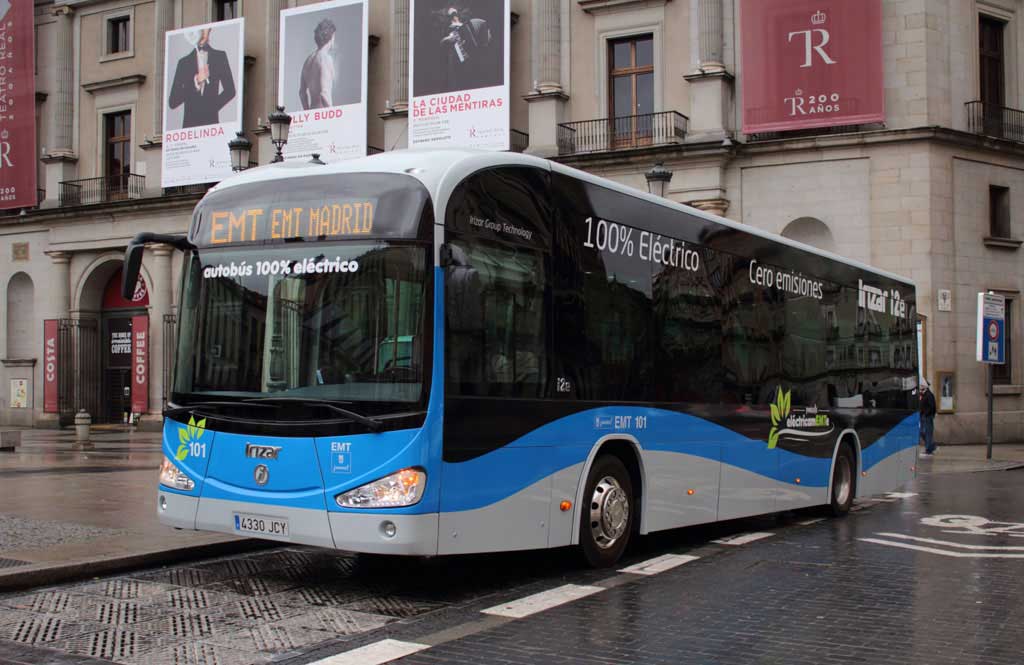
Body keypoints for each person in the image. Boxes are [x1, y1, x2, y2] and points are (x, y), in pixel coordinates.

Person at [168, 28, 237, 129]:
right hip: (189, 130)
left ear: (209, 30)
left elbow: (230, 91)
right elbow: (173, 101)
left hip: (212, 127)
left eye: (204, 30)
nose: (200, 34)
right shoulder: (184, 63)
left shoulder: (219, 57)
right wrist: (196, 82)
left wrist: (210, 108)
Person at [298, 19, 337, 110]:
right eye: (334, 36)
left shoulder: (308, 60)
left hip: (313, 113)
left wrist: (307, 112)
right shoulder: (325, 58)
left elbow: (302, 93)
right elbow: (324, 93)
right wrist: (334, 115)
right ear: (331, 36)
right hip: (324, 114)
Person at [920, 380, 937, 455]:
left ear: (925, 386)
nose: (921, 386)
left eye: (922, 385)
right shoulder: (922, 395)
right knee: (922, 432)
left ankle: (928, 449)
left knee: (928, 433)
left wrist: (927, 414)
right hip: (922, 416)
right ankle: (931, 446)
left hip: (927, 416)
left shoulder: (929, 395)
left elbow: (932, 406)